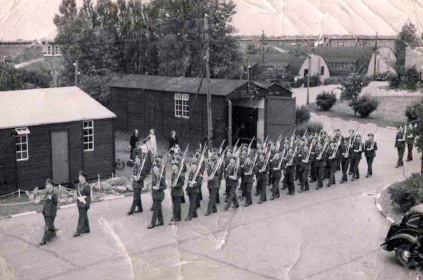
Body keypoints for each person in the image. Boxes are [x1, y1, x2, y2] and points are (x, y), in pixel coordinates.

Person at [40, 179, 58, 246]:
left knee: (47, 226)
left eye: (47, 185)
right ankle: (53, 234)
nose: (46, 186)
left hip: (50, 213)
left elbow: (55, 205)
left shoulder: (54, 193)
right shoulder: (48, 193)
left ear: (51, 185)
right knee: (50, 225)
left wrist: (53, 214)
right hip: (46, 212)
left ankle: (44, 239)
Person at [148, 164, 166, 229]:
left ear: (158, 169)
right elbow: (153, 186)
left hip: (159, 196)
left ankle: (152, 224)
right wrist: (152, 193)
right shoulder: (155, 176)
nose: (154, 170)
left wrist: (159, 188)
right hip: (155, 195)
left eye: (155, 168)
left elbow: (164, 186)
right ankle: (161, 221)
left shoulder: (161, 177)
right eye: (153, 168)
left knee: (155, 209)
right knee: (158, 208)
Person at [74, 171, 91, 237]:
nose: (79, 178)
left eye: (80, 177)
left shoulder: (86, 185)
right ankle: (87, 229)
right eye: (79, 176)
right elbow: (78, 193)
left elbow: (88, 196)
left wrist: (87, 205)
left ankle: (78, 231)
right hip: (79, 203)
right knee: (84, 216)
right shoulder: (79, 184)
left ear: (84, 178)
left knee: (81, 217)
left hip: (84, 204)